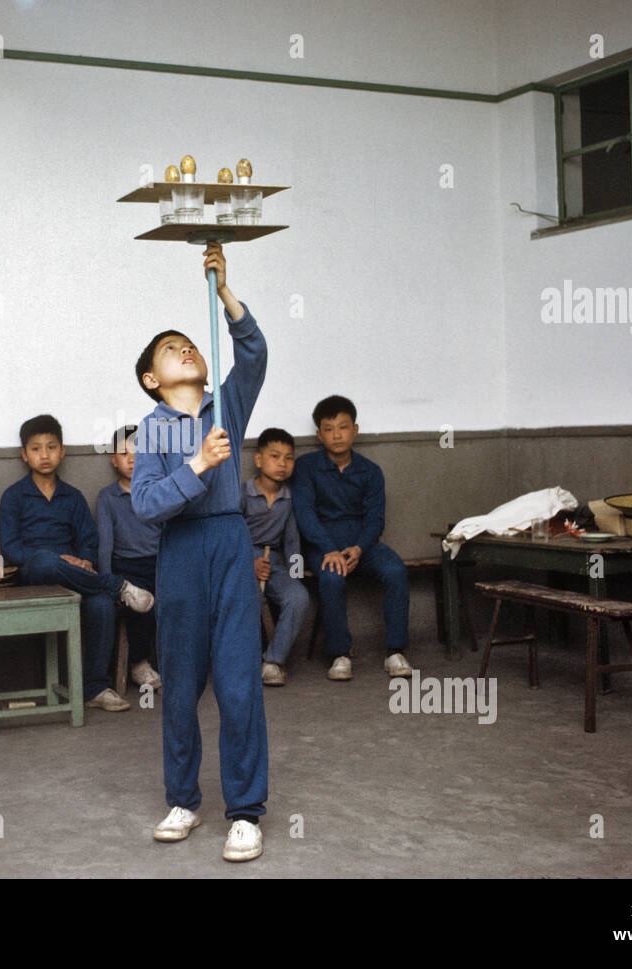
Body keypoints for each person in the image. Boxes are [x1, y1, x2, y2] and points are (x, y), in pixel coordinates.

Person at [132, 243, 268, 863]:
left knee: (239, 682)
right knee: (181, 686)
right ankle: (183, 800)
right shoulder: (153, 430)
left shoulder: (226, 408)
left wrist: (224, 293)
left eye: (191, 342)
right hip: (181, 552)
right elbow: (148, 505)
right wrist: (197, 463)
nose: (186, 348)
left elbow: (256, 353)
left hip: (229, 544)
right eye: (170, 349)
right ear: (151, 379)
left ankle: (245, 811)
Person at [0, 414, 154, 713]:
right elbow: (11, 548)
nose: (44, 455)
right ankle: (116, 585)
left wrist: (83, 560)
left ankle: (95, 687)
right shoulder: (14, 496)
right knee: (44, 558)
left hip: (74, 577)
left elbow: (88, 540)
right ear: (23, 454)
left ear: (63, 450)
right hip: (35, 573)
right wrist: (58, 559)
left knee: (101, 605)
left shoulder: (73, 497)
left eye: (51, 447)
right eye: (36, 448)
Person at [292, 395, 413, 681]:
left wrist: (359, 548)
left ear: (355, 430)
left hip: (363, 544)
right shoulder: (306, 467)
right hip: (322, 545)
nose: (337, 435)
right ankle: (340, 654)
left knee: (396, 571)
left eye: (343, 427)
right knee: (332, 577)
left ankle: (395, 652)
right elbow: (305, 515)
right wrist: (329, 549)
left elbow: (375, 519)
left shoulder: (370, 471)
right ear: (319, 434)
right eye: (329, 429)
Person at [95, 425, 162, 691]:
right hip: (126, 567)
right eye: (124, 453)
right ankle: (139, 663)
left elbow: (168, 533)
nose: (132, 459)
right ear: (113, 459)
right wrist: (108, 581)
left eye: (139, 453)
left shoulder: (156, 491)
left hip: (159, 561)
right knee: (139, 602)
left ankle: (178, 661)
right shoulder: (107, 497)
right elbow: (105, 545)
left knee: (178, 598)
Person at [240, 428, 309, 686]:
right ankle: (243, 663)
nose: (282, 464)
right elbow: (229, 538)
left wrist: (296, 576)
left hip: (274, 562)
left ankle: (273, 662)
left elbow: (292, 543)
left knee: (298, 597)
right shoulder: (243, 494)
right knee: (251, 598)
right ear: (258, 460)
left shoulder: (290, 498)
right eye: (275, 456)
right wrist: (250, 562)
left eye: (289, 458)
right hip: (242, 561)